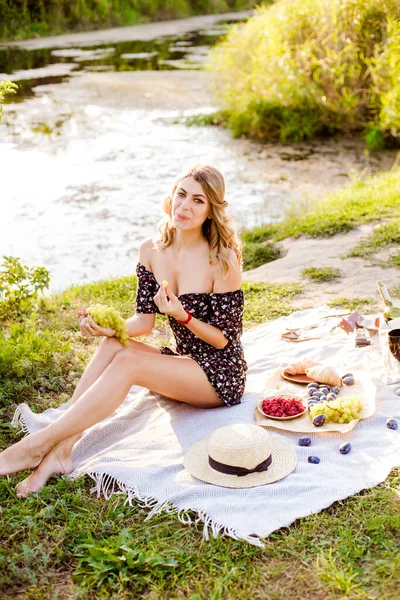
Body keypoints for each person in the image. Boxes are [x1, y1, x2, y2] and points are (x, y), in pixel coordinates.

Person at [0, 164, 248, 497]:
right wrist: (107, 327)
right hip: (184, 361)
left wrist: (182, 315)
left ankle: (37, 446)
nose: (185, 207)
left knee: (128, 363)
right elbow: (143, 323)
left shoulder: (222, 259)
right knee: (115, 344)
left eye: (198, 201)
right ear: (171, 195)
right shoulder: (152, 250)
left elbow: (223, 339)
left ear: (211, 210)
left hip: (220, 375)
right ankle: (63, 448)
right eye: (181, 194)